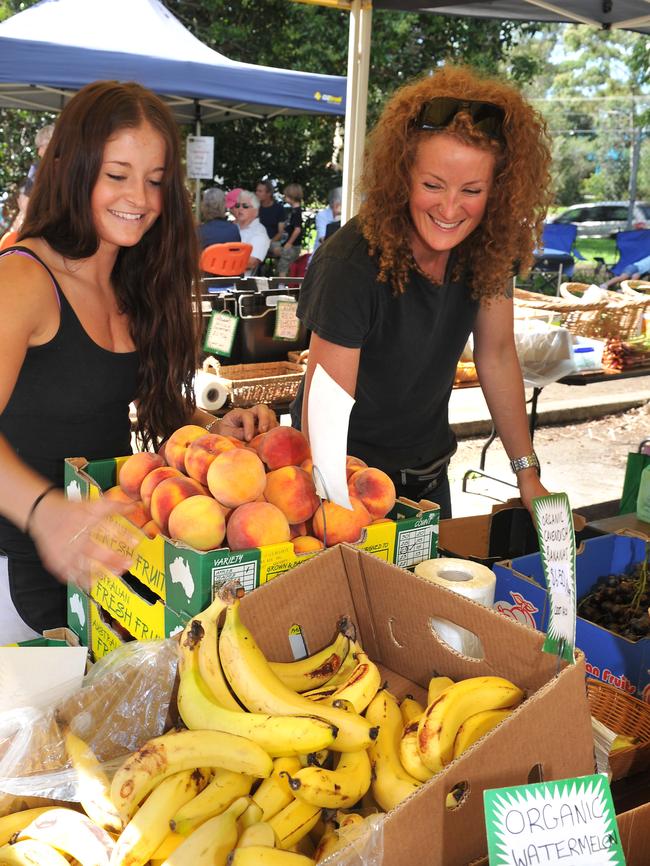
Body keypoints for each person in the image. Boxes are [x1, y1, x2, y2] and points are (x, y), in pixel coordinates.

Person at [0, 81, 277, 642]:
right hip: (16, 569)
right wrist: (44, 511)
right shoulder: (22, 278)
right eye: (117, 174)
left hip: (103, 556)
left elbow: (113, 395)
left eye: (154, 181)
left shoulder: (131, 278)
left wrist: (208, 433)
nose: (142, 199)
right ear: (75, 170)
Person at [292, 65, 553, 518]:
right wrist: (335, 503)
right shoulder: (350, 265)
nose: (450, 209)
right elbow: (325, 416)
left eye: (472, 190)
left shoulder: (489, 248)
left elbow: (496, 354)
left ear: (498, 190)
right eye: (433, 185)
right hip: (350, 480)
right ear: (401, 177)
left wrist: (526, 472)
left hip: (430, 475)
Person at [233, 190, 271, 275]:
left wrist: (223, 259)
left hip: (239, 283)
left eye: (245, 206)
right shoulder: (232, 227)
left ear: (256, 211)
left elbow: (251, 262)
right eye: (237, 205)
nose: (240, 209)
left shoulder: (259, 232)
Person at [274, 183, 304, 278]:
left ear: (292, 196)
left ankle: (282, 284)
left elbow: (297, 229)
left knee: (284, 264)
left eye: (286, 196)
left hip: (293, 246)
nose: (284, 198)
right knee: (281, 262)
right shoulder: (293, 211)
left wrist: (289, 243)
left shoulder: (296, 212)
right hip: (290, 245)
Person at [255, 179, 286, 243]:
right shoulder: (254, 207)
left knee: (276, 250)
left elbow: (281, 232)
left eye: (260, 191)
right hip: (255, 241)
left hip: (272, 242)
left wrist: (269, 243)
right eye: (256, 190)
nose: (256, 193)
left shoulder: (279, 209)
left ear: (269, 193)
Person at [313, 186, 342, 252]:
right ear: (335, 204)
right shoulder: (322, 215)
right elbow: (323, 239)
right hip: (321, 256)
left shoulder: (343, 215)